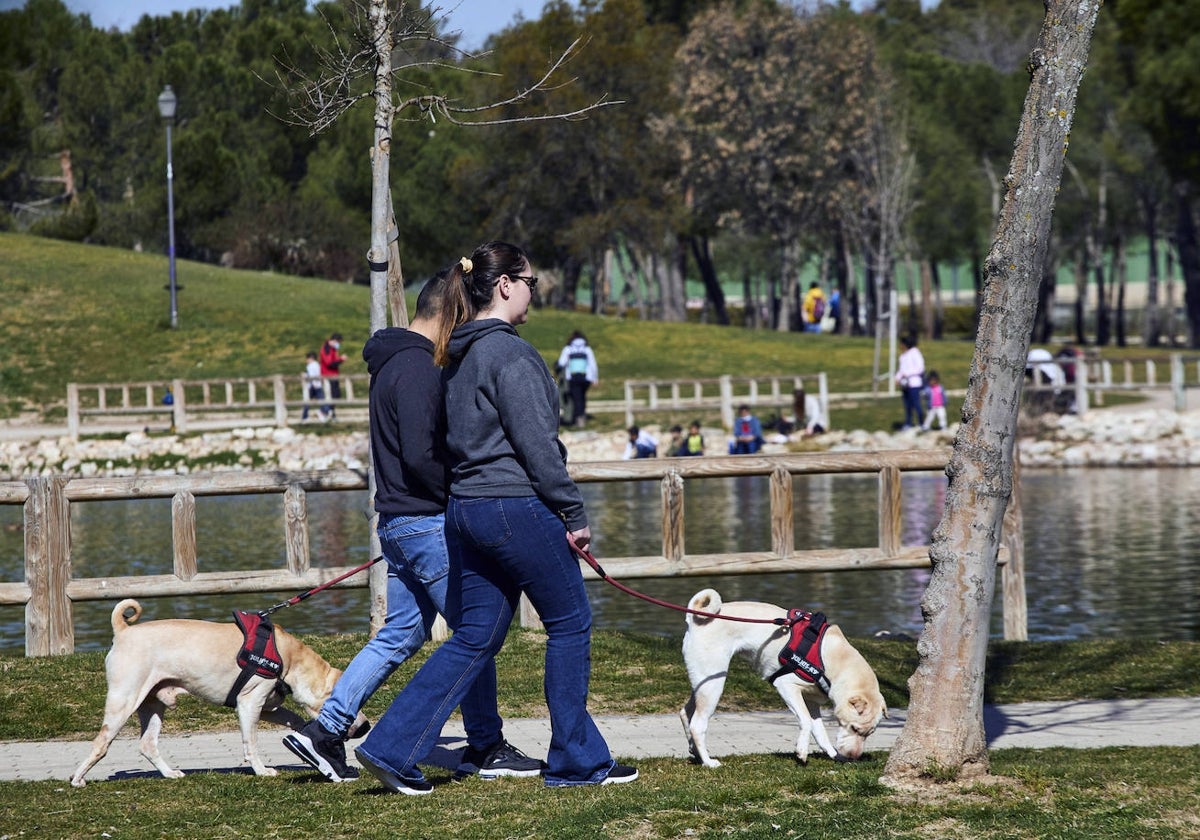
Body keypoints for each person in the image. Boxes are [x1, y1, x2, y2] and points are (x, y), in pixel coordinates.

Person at [354, 241, 636, 793]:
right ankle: (577, 762)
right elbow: (539, 449)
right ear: (505, 285)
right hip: (514, 507)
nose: (536, 294)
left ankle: (390, 747)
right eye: (531, 282)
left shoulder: (453, 357)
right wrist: (573, 514)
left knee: (475, 634)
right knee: (570, 623)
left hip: (465, 514)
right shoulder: (512, 355)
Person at [282, 275, 541, 784]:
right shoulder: (421, 367)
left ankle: (325, 731)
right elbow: (424, 455)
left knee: (400, 633)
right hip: (425, 521)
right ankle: (487, 746)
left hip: (396, 521)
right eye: (463, 318)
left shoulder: (390, 363)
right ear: (448, 314)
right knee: (476, 632)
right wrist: (461, 494)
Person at [556, 331, 599, 427]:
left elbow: (561, 363)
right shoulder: (587, 349)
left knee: (576, 399)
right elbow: (593, 364)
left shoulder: (568, 349)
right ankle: (582, 416)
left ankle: (577, 419)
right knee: (582, 397)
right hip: (586, 378)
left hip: (573, 378)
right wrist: (595, 379)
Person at [896, 335, 926, 430]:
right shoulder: (902, 356)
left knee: (916, 404)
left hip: (914, 383)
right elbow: (901, 369)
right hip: (905, 384)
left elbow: (920, 368)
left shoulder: (915, 352)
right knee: (907, 404)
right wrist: (897, 378)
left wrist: (907, 374)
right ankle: (908, 423)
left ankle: (922, 423)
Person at [318, 332, 347, 420]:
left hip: (334, 375)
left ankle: (331, 413)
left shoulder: (332, 349)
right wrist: (341, 360)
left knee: (336, 395)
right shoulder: (326, 348)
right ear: (335, 341)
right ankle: (326, 413)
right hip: (328, 375)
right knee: (330, 395)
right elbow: (329, 363)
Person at [300, 351, 327, 422]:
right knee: (320, 400)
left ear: (310, 358)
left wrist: (313, 382)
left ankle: (305, 417)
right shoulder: (316, 365)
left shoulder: (312, 365)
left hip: (314, 385)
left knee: (311, 401)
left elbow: (313, 375)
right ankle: (323, 413)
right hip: (315, 385)